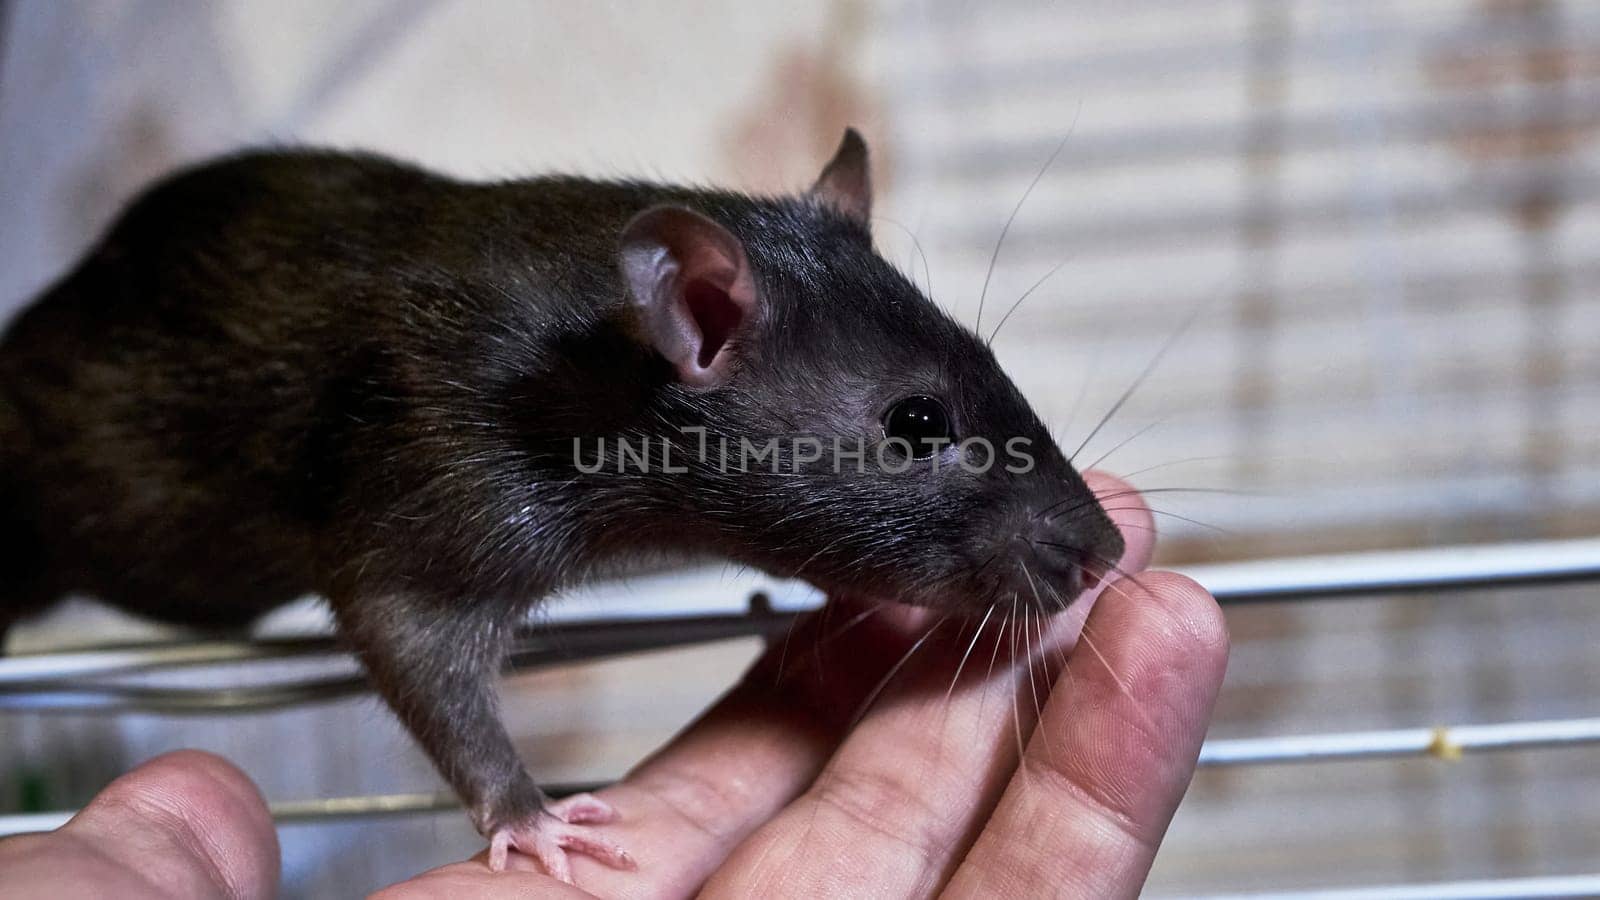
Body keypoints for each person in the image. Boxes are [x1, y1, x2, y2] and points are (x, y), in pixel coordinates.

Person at [0, 474, 1227, 898]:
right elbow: (402, 602)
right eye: (916, 429)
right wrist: (507, 797)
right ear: (693, 318)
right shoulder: (507, 483)